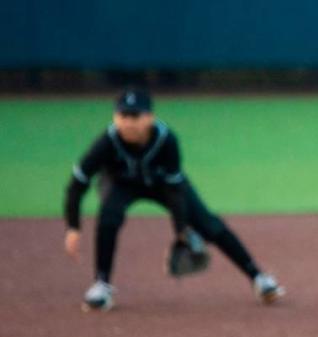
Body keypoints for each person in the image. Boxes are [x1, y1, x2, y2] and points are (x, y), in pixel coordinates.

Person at [63, 88, 284, 311]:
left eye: (135, 116)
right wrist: (73, 226)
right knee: (109, 217)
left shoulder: (166, 139)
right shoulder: (107, 142)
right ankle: (101, 285)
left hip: (164, 185)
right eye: (123, 116)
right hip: (121, 185)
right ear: (114, 117)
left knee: (208, 224)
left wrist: (181, 230)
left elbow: (175, 190)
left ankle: (259, 278)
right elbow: (78, 183)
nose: (128, 122)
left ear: (149, 117)